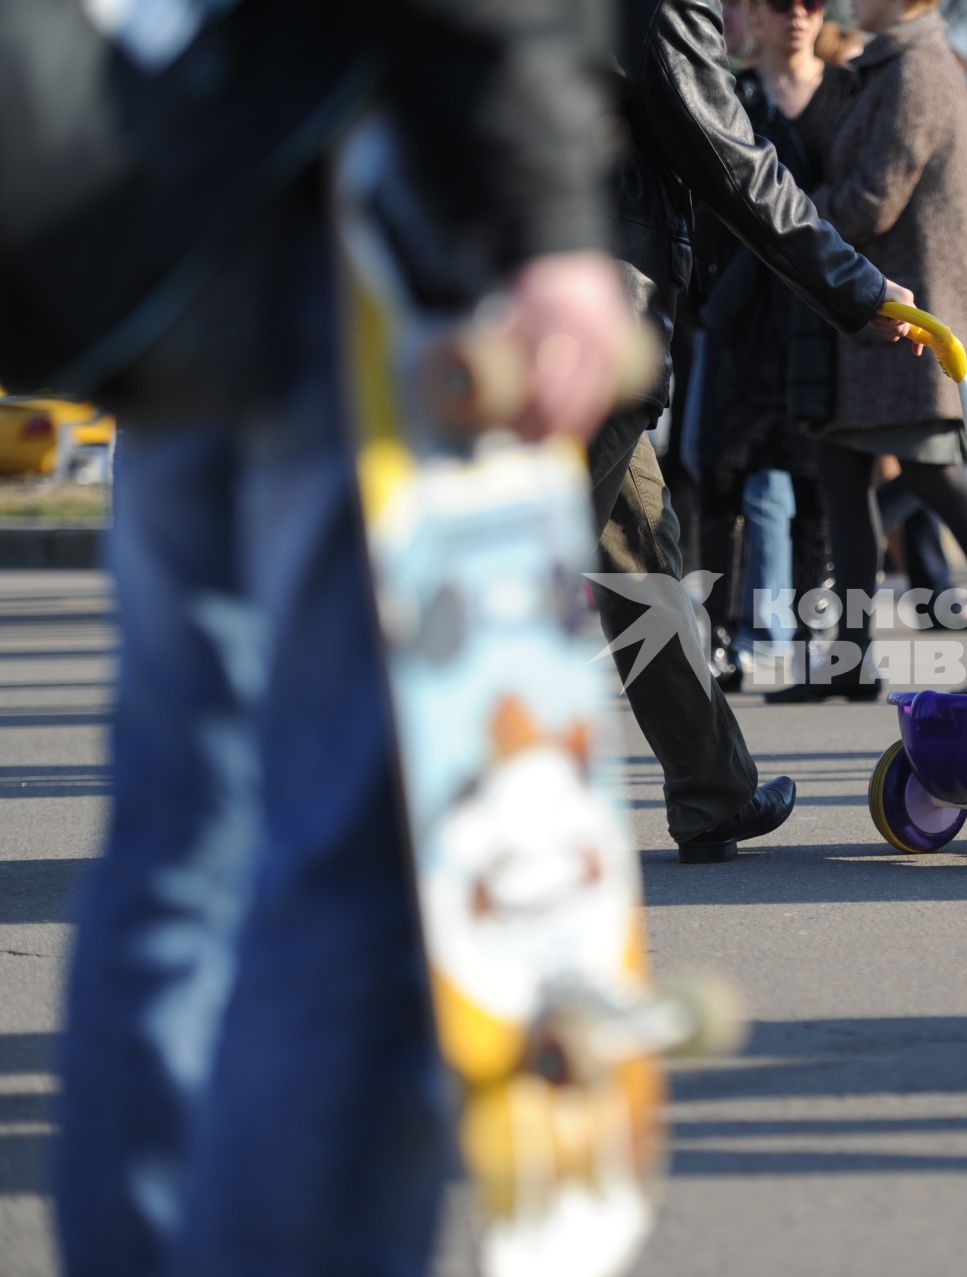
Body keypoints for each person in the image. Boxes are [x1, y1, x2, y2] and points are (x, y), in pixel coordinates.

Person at [16, 5, 637, 1275]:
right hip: (365, 192)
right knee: (366, 858)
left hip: (168, 208)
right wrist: (544, 201)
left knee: (186, 833)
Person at [599, 0, 918, 850]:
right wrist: (855, 287)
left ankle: (712, 789)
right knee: (501, 568)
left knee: (636, 550)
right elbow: (727, 155)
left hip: (544, 286)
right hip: (584, 306)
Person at [768, 0, 967, 703]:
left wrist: (782, 214)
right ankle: (848, 660)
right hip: (876, 314)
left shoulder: (921, 68)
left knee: (935, 473)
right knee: (844, 481)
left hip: (917, 317)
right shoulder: (882, 67)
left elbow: (875, 197)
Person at [696, 0, 860, 686]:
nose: (796, 14)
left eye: (812, 2)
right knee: (722, 474)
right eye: (779, 2)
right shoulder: (727, 90)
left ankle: (811, 642)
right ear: (753, 14)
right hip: (740, 315)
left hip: (817, 316)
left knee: (819, 481)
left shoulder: (847, 92)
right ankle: (720, 636)